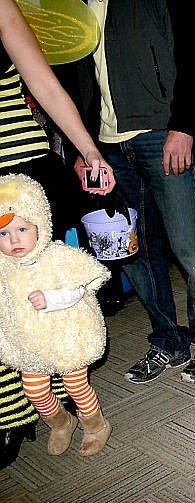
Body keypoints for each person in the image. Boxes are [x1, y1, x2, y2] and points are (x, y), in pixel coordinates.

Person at [76, 0, 195, 384]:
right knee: (132, 251)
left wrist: (183, 125)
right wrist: (81, 148)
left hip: (161, 131)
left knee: (188, 245)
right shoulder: (76, 6)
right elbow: (73, 79)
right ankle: (168, 340)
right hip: (104, 145)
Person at [0, 0, 115, 467]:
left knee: (40, 279)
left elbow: (43, 81)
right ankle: (25, 413)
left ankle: (84, 413)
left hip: (16, 168)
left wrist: (89, 151)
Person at [0, 174, 112, 456]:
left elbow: (79, 288)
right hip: (31, 344)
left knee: (75, 384)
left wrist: (50, 298)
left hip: (66, 337)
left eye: (22, 229)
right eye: (3, 234)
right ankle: (61, 423)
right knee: (34, 390)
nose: (14, 240)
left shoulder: (58, 256)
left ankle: (96, 425)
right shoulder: (5, 267)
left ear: (40, 224)